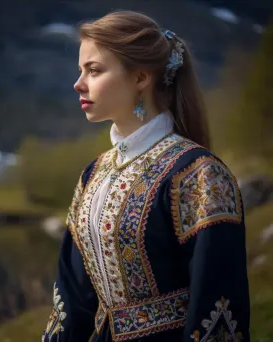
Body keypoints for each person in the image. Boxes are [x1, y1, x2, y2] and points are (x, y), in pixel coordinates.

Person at [42, 10, 250, 342]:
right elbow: (72, 297)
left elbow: (219, 303)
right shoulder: (92, 175)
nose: (78, 83)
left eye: (94, 70)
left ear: (141, 77)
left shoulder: (198, 175)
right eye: (81, 70)